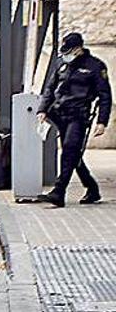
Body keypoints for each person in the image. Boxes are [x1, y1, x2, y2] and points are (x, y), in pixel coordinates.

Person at [35, 32, 111, 207]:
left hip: (79, 115)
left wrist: (102, 122)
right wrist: (42, 109)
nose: (66, 54)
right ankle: (92, 189)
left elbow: (105, 96)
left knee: (69, 150)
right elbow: (50, 88)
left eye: (69, 51)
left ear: (78, 49)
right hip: (59, 114)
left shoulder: (95, 67)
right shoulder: (61, 63)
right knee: (73, 154)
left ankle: (58, 192)